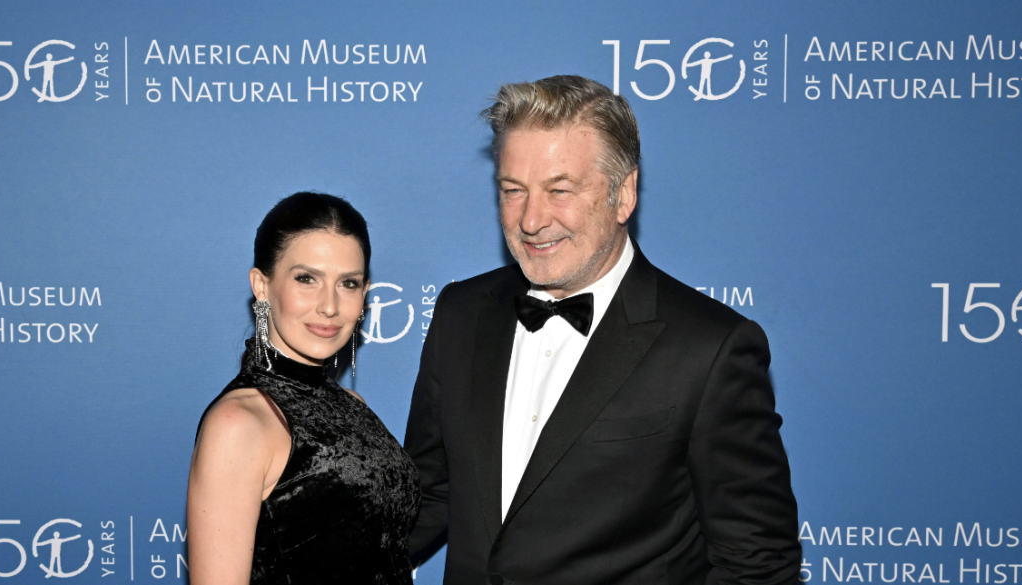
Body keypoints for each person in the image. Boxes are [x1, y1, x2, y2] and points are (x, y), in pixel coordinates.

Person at [404, 75, 800, 584]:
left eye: (560, 190)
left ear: (624, 193)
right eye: (513, 190)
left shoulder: (709, 349)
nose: (530, 219)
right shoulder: (461, 313)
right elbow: (428, 494)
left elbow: (757, 565)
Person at [188, 192, 420, 585]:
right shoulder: (239, 423)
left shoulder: (352, 404)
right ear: (262, 286)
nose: (329, 305)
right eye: (306, 279)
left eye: (348, 283)